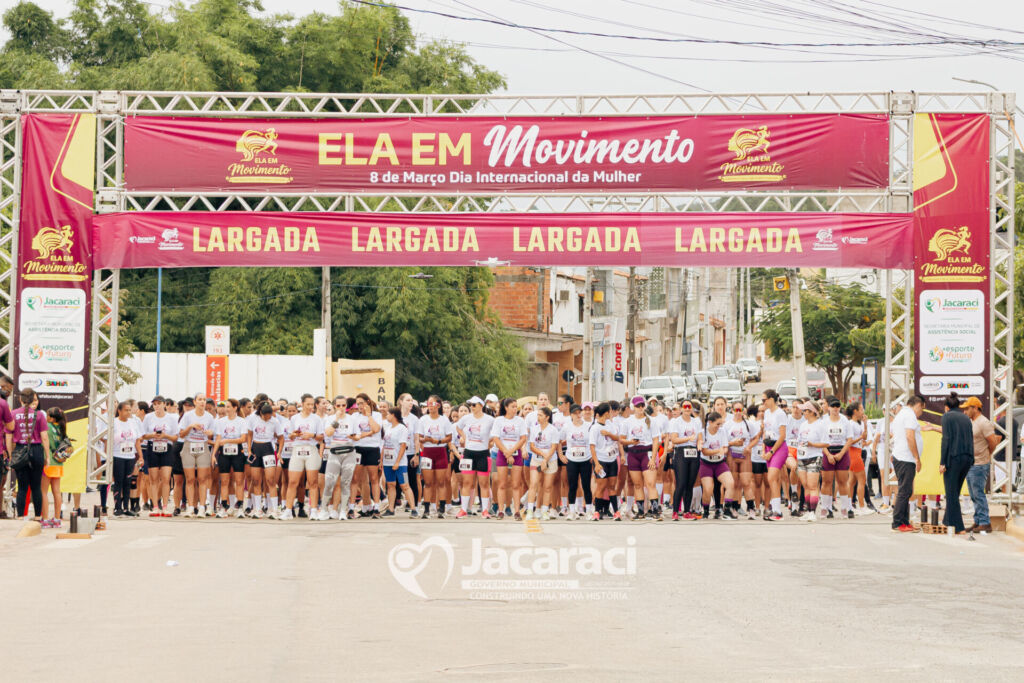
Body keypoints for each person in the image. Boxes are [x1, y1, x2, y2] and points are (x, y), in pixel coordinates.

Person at [620, 396, 663, 520]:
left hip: (647, 452)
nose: (640, 408)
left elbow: (656, 440)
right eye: (638, 406)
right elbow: (621, 439)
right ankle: (640, 511)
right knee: (637, 484)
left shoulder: (651, 420)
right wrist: (630, 442)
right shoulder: (627, 421)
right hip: (633, 453)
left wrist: (653, 458)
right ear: (633, 407)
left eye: (642, 406)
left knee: (650, 483)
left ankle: (655, 510)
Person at [283, 394, 324, 520]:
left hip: (311, 449)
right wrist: (294, 434)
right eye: (308, 404)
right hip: (297, 449)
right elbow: (290, 436)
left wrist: (312, 435)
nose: (310, 407)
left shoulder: (316, 419)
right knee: (292, 481)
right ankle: (288, 510)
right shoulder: (295, 418)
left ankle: (313, 510)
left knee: (313, 482)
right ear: (302, 404)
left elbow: (321, 437)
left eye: (312, 404)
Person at [11, 388, 50, 520]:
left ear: (20, 399)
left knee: (22, 487)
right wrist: (47, 456)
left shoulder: (14, 414)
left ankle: (21, 517)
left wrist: (11, 454)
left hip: (20, 451)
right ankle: (38, 517)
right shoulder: (39, 415)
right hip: (37, 451)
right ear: (33, 399)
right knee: (36, 487)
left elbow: (9, 436)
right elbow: (44, 437)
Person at [938, 393, 973, 535]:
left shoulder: (947, 416)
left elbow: (946, 439)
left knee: (951, 493)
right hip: (968, 458)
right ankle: (947, 521)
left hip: (954, 458)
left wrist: (942, 462)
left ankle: (958, 527)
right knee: (955, 491)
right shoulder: (966, 417)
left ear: (946, 407)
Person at [455, 396, 495, 519]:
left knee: (484, 483)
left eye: (474, 405)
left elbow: (495, 433)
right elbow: (458, 427)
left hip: (483, 453)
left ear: (481, 406)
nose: (471, 407)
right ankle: (463, 509)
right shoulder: (466, 418)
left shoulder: (489, 419)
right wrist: (464, 437)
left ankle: (484, 510)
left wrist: (490, 442)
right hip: (468, 453)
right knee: (467, 482)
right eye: (470, 405)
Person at [962, 396, 998, 533]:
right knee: (973, 494)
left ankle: (985, 522)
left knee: (978, 494)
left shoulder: (984, 422)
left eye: (967, 408)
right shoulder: (972, 422)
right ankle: (978, 521)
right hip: (972, 463)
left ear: (975, 408)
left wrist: (987, 454)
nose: (965, 411)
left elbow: (992, 441)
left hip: (980, 464)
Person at [891, 396, 926, 533]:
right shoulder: (910, 415)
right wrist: (917, 458)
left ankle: (904, 521)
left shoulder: (902, 414)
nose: (921, 413)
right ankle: (898, 522)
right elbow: (909, 436)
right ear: (918, 405)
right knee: (905, 491)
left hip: (902, 456)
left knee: (906, 490)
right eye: (922, 409)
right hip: (906, 457)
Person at [178, 393, 214, 518]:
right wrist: (191, 426)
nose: (202, 402)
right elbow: (181, 434)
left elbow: (212, 433)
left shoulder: (209, 417)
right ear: (195, 402)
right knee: (190, 479)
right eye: (200, 399)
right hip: (189, 445)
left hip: (203, 446)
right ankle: (190, 507)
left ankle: (202, 507)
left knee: (203, 479)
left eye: (204, 400)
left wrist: (210, 433)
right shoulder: (188, 416)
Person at [141, 396, 178, 517]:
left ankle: (166, 506)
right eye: (155, 404)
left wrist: (165, 436)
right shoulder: (148, 417)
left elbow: (175, 437)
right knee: (153, 479)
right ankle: (155, 506)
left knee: (166, 478)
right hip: (153, 447)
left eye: (159, 404)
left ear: (164, 404)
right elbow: (143, 436)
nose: (157, 406)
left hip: (166, 448)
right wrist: (152, 435)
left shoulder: (171, 418)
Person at [491, 397, 527, 520]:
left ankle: (516, 511)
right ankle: (500, 510)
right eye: (512, 406)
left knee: (516, 484)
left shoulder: (520, 421)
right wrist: (506, 452)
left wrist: (512, 451)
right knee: (502, 483)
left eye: (516, 407)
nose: (515, 409)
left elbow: (523, 438)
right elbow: (496, 438)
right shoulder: (499, 421)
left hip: (516, 453)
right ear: (506, 408)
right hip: (502, 453)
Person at [417, 395, 452, 519]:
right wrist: (425, 440)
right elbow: (419, 436)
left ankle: (441, 509)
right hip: (427, 451)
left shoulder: (444, 420)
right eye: (428, 403)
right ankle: (426, 509)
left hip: (440, 450)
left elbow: (449, 437)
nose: (430, 406)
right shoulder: (423, 420)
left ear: (438, 405)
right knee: (428, 482)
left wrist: (437, 441)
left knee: (441, 482)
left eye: (433, 403)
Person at [697, 411, 737, 519]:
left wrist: (723, 450)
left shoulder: (722, 431)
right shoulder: (703, 432)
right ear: (710, 422)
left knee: (730, 483)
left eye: (720, 424)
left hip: (719, 463)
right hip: (706, 463)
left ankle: (727, 509)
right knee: (708, 489)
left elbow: (725, 447)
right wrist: (717, 451)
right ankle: (705, 509)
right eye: (717, 424)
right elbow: (704, 451)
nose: (719, 426)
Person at [213, 398, 249, 518]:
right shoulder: (220, 422)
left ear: (235, 408)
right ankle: (224, 507)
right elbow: (218, 439)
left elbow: (243, 439)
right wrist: (214, 454)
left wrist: (228, 440)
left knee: (239, 481)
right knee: (224, 481)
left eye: (229, 407)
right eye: (225, 407)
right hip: (224, 453)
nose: (226, 409)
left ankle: (239, 507)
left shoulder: (242, 421)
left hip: (238, 452)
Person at [667, 400, 701, 521]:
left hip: (694, 453)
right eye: (685, 406)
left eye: (689, 406)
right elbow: (674, 440)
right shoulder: (676, 422)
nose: (687, 408)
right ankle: (675, 511)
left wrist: (699, 443)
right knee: (681, 483)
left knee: (690, 484)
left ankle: (687, 511)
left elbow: (700, 437)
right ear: (681, 409)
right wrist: (688, 438)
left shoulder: (696, 422)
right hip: (681, 452)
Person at [561, 404, 595, 521]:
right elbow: (557, 442)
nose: (578, 415)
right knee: (572, 486)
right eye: (575, 413)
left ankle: (589, 511)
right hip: (572, 459)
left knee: (586, 485)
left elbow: (593, 442)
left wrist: (593, 456)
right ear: (571, 415)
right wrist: (561, 455)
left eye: (579, 412)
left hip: (586, 459)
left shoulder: (588, 426)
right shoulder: (567, 427)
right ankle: (571, 511)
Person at [381, 408, 418, 517]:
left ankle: (413, 508)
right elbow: (384, 444)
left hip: (400, 464)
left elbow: (403, 446)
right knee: (391, 485)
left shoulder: (402, 428)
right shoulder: (388, 427)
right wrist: (382, 459)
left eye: (388, 414)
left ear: (393, 415)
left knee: (405, 485)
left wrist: (397, 462)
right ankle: (391, 509)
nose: (386, 416)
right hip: (388, 462)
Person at [526, 406, 560, 520]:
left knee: (547, 486)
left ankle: (545, 510)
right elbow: (532, 446)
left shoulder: (553, 430)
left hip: (550, 460)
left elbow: (554, 447)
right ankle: (531, 510)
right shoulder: (534, 428)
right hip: (536, 460)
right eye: (537, 415)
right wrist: (542, 455)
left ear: (547, 417)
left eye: (540, 415)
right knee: (534, 483)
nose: (538, 417)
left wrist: (546, 459)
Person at [796, 401, 827, 522]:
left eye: (805, 411)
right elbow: (799, 440)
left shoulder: (820, 425)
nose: (803, 413)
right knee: (806, 485)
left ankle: (813, 512)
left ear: (812, 412)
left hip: (814, 456)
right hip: (802, 456)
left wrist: (812, 444)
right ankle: (808, 510)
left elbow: (826, 443)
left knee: (813, 485)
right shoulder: (803, 425)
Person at [110, 401, 142, 517]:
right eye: (126, 410)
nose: (128, 412)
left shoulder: (133, 423)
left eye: (129, 410)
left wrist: (140, 457)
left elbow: (138, 441)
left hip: (130, 456)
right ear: (119, 411)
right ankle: (117, 507)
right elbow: (107, 441)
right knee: (119, 482)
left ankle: (126, 507)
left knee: (128, 482)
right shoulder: (114, 423)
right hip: (118, 455)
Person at [589, 402, 621, 521]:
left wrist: (609, 434)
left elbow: (618, 438)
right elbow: (592, 447)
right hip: (601, 460)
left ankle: (616, 511)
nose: (611, 413)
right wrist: (596, 464)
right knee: (601, 486)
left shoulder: (610, 424)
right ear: (606, 413)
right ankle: (597, 511)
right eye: (610, 411)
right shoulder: (595, 428)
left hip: (611, 459)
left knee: (612, 486)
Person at [761, 389, 788, 521]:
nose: (763, 403)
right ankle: (775, 508)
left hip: (779, 448)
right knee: (773, 479)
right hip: (768, 446)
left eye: (764, 400)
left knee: (772, 477)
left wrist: (772, 452)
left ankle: (778, 511)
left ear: (771, 399)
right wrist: (764, 449)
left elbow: (782, 435)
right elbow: (765, 431)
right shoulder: (766, 413)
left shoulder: (780, 414)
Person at [41, 407, 68, 528]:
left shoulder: (47, 426)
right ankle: (57, 519)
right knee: (57, 492)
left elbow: (44, 441)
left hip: (48, 462)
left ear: (51, 418)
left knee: (43, 492)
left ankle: (45, 519)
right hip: (59, 463)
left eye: (47, 415)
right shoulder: (62, 428)